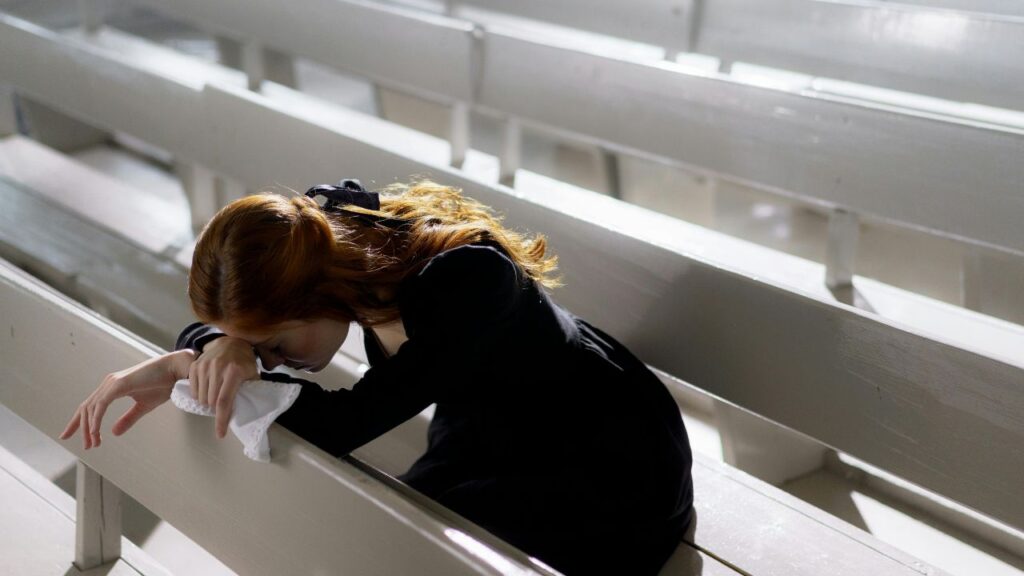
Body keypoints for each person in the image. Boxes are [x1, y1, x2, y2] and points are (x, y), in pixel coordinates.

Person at [60, 178, 694, 575]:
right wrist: (220, 345)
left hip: (600, 455)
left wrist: (182, 363)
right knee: (379, 537)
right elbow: (248, 333)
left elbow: (342, 424)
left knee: (405, 552)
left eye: (275, 344)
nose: (270, 360)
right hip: (483, 432)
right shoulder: (334, 254)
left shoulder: (465, 280)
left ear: (321, 294)